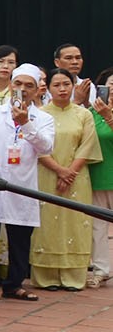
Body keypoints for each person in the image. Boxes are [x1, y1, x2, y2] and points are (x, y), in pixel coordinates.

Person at [0, 64, 52, 301]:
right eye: (18, 83)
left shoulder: (43, 118)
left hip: (22, 186)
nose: (22, 89)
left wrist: (26, 124)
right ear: (10, 85)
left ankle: (14, 284)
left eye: (29, 85)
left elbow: (46, 147)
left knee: (20, 238)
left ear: (37, 90)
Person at [34, 67, 103, 290]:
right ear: (48, 88)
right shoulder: (40, 113)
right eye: (57, 85)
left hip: (77, 177)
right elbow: (37, 147)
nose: (62, 89)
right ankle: (47, 276)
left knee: (76, 222)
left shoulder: (84, 114)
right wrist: (60, 171)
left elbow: (88, 144)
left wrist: (70, 172)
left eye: (66, 84)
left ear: (73, 86)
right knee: (47, 222)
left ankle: (74, 276)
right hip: (47, 175)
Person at [89, 72, 113, 286]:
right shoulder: (90, 113)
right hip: (97, 175)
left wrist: (109, 116)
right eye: (111, 84)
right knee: (97, 227)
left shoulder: (104, 114)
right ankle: (100, 270)